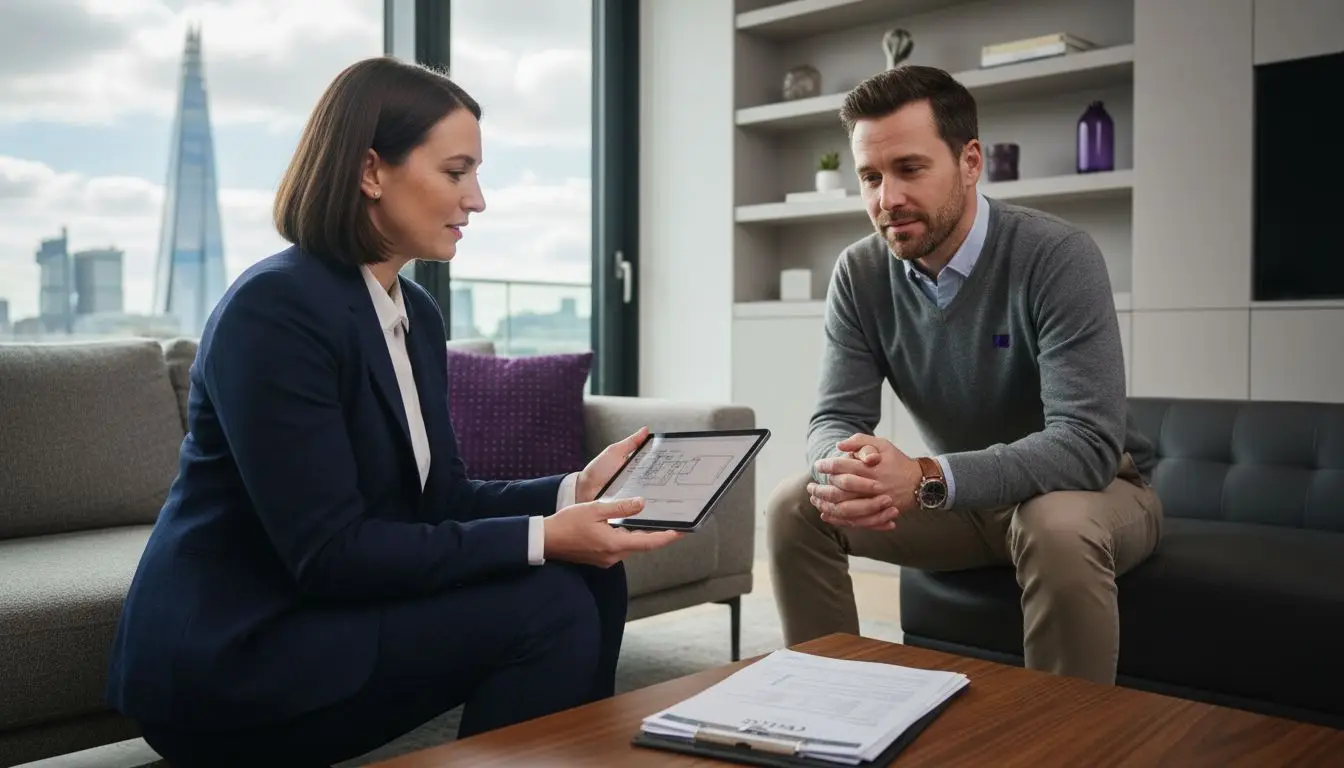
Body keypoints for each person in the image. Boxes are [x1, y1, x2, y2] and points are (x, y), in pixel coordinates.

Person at [104, 56, 682, 766]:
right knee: (547, 607)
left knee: (594, 574)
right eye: (456, 171)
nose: (478, 200)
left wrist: (573, 492)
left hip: (329, 613)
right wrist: (544, 537)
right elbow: (331, 555)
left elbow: (440, 500)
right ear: (371, 171)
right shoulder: (275, 310)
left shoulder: (415, 313)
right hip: (238, 655)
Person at [766, 65, 1163, 686]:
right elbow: (834, 417)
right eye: (870, 176)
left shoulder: (1057, 256)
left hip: (1098, 490)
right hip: (966, 497)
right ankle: (830, 709)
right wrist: (847, 468)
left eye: (910, 169)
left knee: (1051, 524)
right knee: (797, 504)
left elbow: (1085, 446)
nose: (886, 198)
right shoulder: (860, 273)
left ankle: (1066, 743)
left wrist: (926, 475)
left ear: (970, 161)